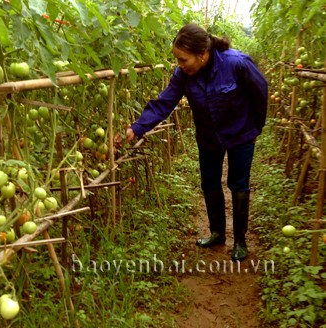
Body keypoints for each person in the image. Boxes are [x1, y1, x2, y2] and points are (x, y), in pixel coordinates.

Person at [114, 23, 268, 261]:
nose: (180, 65)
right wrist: (136, 128)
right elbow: (164, 103)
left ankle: (240, 241)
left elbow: (260, 91)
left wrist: (256, 127)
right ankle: (217, 233)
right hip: (208, 136)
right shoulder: (183, 76)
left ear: (202, 55)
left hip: (240, 133)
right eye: (178, 60)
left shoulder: (236, 63)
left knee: (238, 184)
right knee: (209, 182)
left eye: (183, 59)